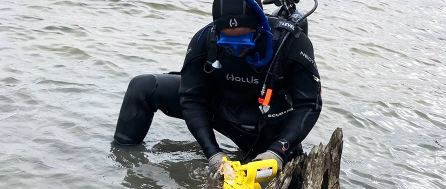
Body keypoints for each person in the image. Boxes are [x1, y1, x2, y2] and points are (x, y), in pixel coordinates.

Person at [114, 0, 322, 176]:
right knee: (142, 86)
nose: (236, 50)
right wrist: (213, 154)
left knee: (290, 174)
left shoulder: (291, 43)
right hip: (222, 109)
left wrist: (278, 151)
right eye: (228, 42)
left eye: (243, 42)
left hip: (268, 126)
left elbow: (309, 104)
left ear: (260, 28)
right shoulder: (204, 39)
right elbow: (192, 98)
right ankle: (120, 164)